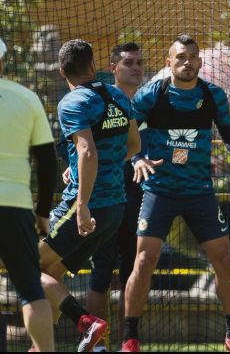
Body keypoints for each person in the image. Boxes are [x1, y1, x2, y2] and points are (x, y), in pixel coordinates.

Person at [122, 34, 230, 353]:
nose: (186, 62)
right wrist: (137, 157)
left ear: (200, 62)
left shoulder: (213, 95)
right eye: (180, 57)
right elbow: (128, 130)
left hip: (199, 192)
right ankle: (130, 338)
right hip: (159, 192)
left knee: (223, 259)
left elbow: (229, 133)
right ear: (169, 63)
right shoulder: (152, 94)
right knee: (145, 259)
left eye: (192, 57)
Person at [38, 39, 140, 352]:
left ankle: (87, 322)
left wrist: (81, 204)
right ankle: (42, 346)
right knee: (52, 274)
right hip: (115, 207)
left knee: (26, 267)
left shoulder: (72, 102)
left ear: (60, 71)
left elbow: (86, 150)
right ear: (94, 66)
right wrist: (95, 168)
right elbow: (134, 146)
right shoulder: (117, 95)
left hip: (87, 206)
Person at [80, 43, 145, 351]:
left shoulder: (147, 103)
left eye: (139, 63)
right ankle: (97, 346)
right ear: (114, 67)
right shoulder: (99, 101)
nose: (136, 67)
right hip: (104, 197)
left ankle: (126, 344)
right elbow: (83, 146)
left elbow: (141, 146)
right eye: (129, 62)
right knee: (101, 273)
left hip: (139, 198)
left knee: (133, 272)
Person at [0, 36, 56, 352]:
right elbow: (47, 162)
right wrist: (43, 212)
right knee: (30, 289)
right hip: (16, 208)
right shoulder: (27, 97)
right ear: (2, 61)